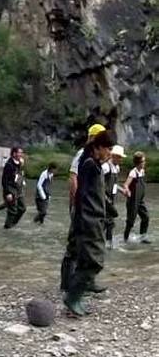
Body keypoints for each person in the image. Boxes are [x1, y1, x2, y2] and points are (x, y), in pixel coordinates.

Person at [63, 130, 115, 317]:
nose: (109, 153)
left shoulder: (95, 164)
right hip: (88, 219)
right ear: (98, 147)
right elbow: (82, 196)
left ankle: (77, 295)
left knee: (90, 259)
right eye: (107, 149)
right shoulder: (89, 165)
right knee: (94, 260)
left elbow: (97, 193)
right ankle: (72, 297)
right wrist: (83, 220)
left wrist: (109, 209)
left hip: (95, 218)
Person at [60, 123, 107, 292]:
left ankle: (88, 282)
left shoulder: (98, 157)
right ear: (93, 138)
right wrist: (75, 205)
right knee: (74, 245)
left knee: (89, 246)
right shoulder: (82, 154)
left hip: (91, 209)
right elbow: (73, 179)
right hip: (81, 208)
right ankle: (66, 284)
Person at [123, 151, 151, 244]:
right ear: (138, 162)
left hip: (140, 201)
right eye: (143, 161)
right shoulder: (133, 172)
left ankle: (143, 237)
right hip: (133, 201)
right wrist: (127, 190)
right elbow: (126, 184)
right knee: (130, 222)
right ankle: (125, 239)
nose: (144, 163)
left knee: (146, 217)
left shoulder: (142, 171)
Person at [102, 145, 127, 249]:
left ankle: (106, 242)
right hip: (104, 197)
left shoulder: (116, 168)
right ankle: (106, 243)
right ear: (114, 156)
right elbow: (97, 183)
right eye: (120, 157)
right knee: (108, 221)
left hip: (111, 198)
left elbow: (114, 184)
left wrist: (122, 191)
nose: (121, 159)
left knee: (108, 221)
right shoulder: (105, 167)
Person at [1, 147, 26, 229]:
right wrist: (8, 193)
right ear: (14, 154)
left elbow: (19, 174)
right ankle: (7, 228)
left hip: (18, 188)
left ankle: (13, 223)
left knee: (22, 208)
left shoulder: (20, 163)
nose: (21, 155)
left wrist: (21, 165)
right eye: (19, 153)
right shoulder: (9, 165)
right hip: (10, 188)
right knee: (13, 211)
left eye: (22, 153)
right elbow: (4, 180)